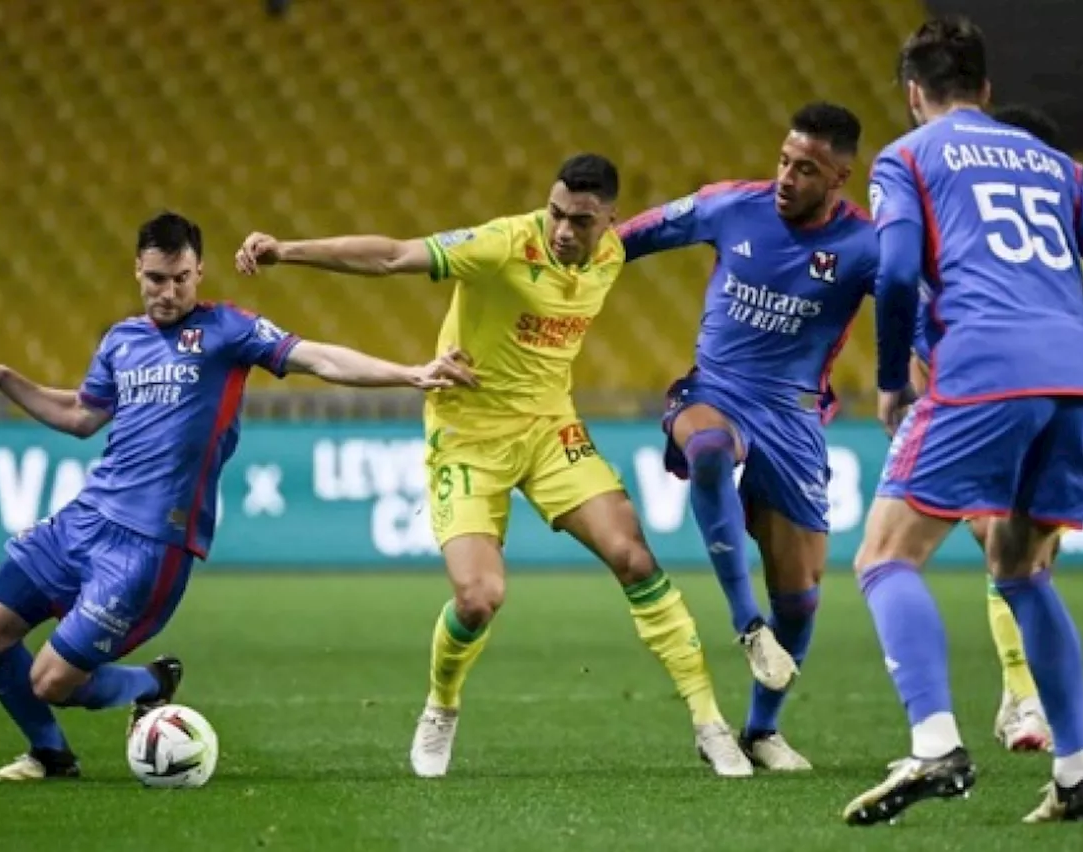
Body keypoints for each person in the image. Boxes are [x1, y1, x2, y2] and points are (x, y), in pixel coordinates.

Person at [234, 154, 754, 778]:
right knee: (480, 598)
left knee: (635, 557)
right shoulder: (502, 244)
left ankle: (709, 722)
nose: (562, 230)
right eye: (556, 213)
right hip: (467, 434)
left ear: (609, 221)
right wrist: (287, 250)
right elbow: (394, 255)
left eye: (580, 221)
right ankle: (441, 707)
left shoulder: (613, 254)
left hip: (549, 430)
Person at [0, 211, 475, 782]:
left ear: (199, 272)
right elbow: (79, 415)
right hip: (84, 519)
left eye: (181, 278)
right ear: (137, 273)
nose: (168, 292)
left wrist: (409, 373)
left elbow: (317, 357)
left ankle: (152, 683)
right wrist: (4, 378)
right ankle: (50, 756)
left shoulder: (229, 331)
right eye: (155, 279)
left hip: (150, 545)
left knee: (49, 683)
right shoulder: (121, 341)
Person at [843, 16, 1083, 826]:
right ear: (988, 91)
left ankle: (934, 744)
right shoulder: (1059, 166)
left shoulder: (909, 155)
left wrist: (890, 379)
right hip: (1075, 380)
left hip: (985, 366)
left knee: (884, 557)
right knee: (1022, 569)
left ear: (914, 93)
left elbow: (892, 272)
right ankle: (1075, 773)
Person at [617, 102, 877, 771]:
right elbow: (625, 239)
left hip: (793, 418)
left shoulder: (867, 246)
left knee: (801, 596)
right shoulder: (729, 206)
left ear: (840, 177)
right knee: (706, 449)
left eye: (807, 169)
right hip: (714, 390)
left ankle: (761, 732)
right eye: (785, 161)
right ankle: (744, 622)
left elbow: (915, 311)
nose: (787, 177)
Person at [908, 103, 1083, 755]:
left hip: (1043, 400)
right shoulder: (954, 230)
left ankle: (1018, 699)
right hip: (969, 399)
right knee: (996, 550)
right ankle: (1023, 703)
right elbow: (915, 318)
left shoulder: (1056, 248)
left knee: (1027, 559)